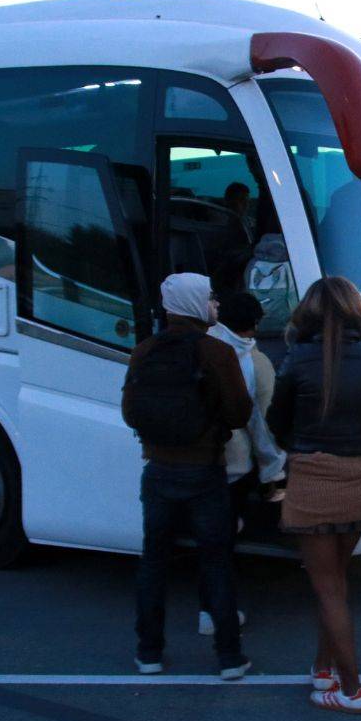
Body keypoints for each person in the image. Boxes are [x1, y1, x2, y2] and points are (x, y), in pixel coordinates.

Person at [266, 276, 361, 714]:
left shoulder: (297, 358)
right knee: (336, 583)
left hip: (313, 478)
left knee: (327, 588)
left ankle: (352, 690)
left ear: (310, 311)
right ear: (356, 310)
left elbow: (276, 421)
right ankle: (324, 668)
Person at [122, 273, 252, 681]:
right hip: (205, 470)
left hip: (158, 469)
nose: (215, 303)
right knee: (215, 562)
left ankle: (149, 653)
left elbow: (129, 412)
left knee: (153, 562)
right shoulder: (216, 352)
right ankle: (229, 657)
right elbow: (239, 413)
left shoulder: (144, 351)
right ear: (197, 303)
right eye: (210, 297)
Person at [194, 291, 287, 637]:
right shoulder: (251, 361)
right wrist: (273, 470)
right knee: (222, 540)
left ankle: (151, 644)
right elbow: (261, 424)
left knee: (202, 538)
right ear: (255, 325)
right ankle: (215, 612)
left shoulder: (198, 343)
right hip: (230, 466)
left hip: (186, 459)